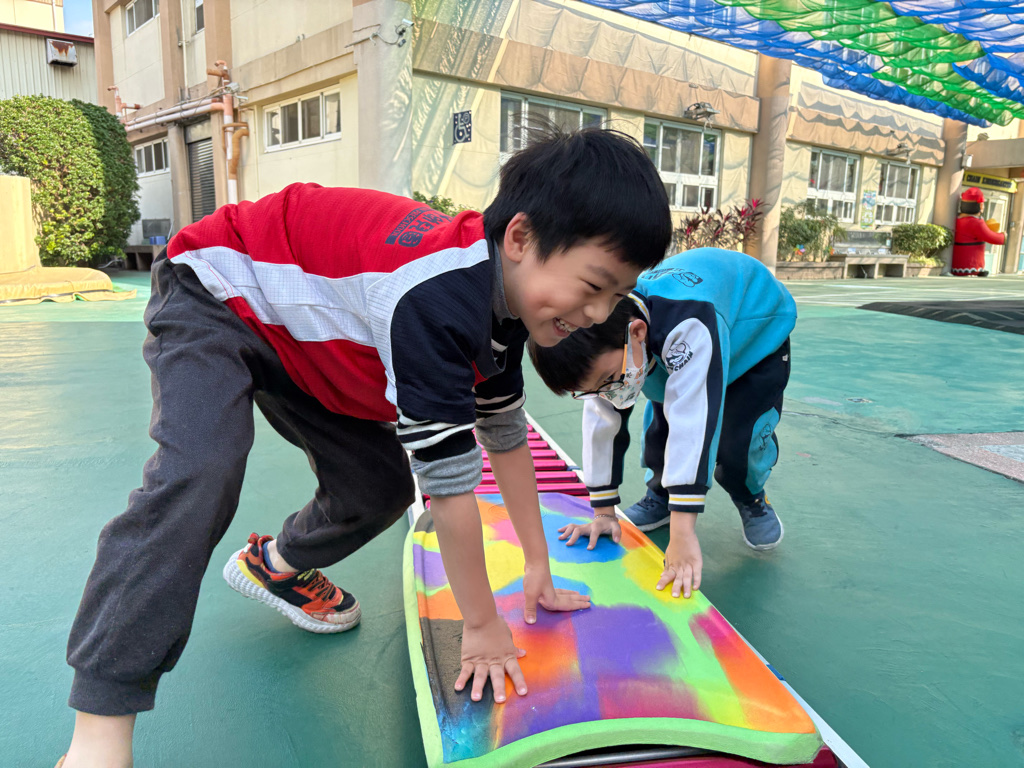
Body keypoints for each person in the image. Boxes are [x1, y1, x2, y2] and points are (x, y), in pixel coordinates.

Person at [59, 127, 673, 767]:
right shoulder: (437, 300)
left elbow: (506, 439)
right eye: (593, 286)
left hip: (307, 339)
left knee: (379, 486)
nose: (598, 314)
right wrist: (481, 624)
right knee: (200, 472)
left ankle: (275, 564)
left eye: (614, 296)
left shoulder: (505, 312)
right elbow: (450, 488)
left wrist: (537, 565)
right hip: (216, 289)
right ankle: (101, 726)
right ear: (520, 239)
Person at [529, 248, 796, 600]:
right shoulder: (604, 338)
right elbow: (602, 419)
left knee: (738, 444)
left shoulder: (687, 323)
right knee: (662, 424)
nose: (607, 392)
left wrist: (683, 534)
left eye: (608, 379)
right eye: (595, 388)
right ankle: (660, 493)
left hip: (754, 337)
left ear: (637, 332)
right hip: (677, 341)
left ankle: (751, 496)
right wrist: (603, 512)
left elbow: (694, 416)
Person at [951, 186, 1004, 277]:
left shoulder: (957, 219)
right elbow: (991, 237)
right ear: (979, 206)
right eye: (982, 204)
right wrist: (1003, 236)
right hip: (971, 264)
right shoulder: (976, 222)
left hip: (956, 263)